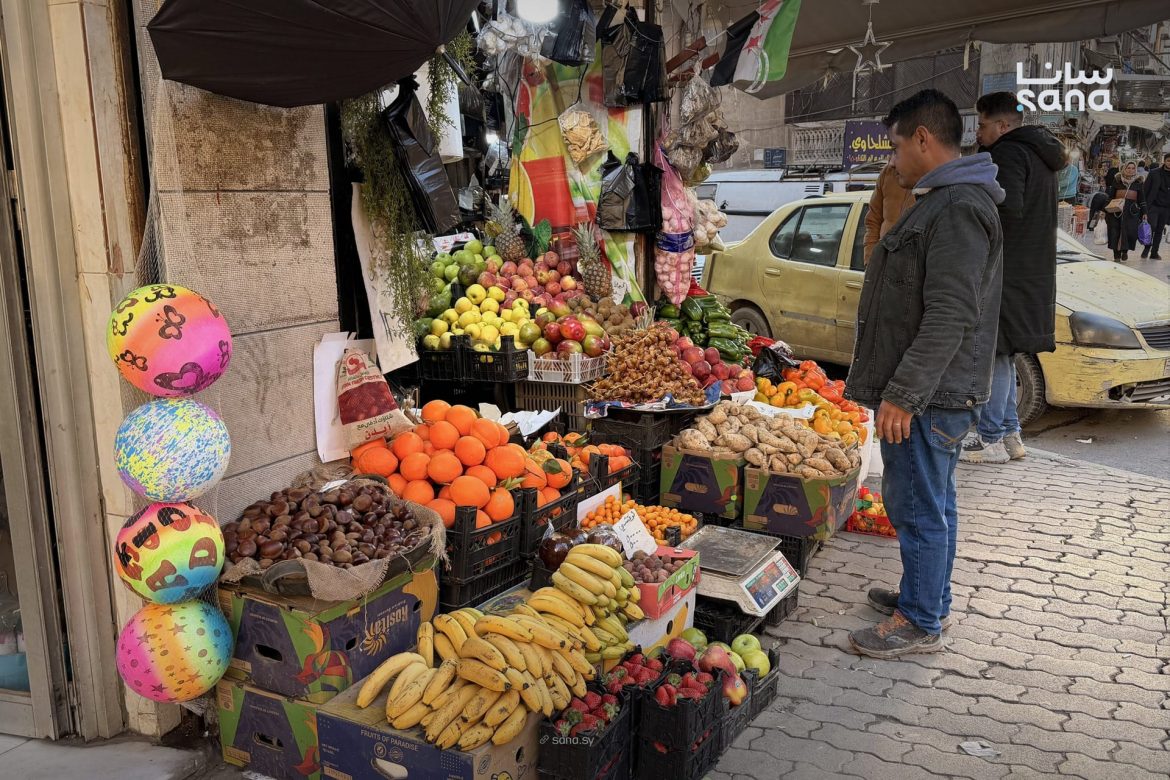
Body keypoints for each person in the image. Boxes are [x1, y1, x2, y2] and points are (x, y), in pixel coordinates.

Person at [845, 89, 1004, 658]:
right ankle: (925, 596)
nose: (892, 161)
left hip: (931, 395)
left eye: (893, 148)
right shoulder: (948, 198)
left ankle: (920, 621)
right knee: (930, 501)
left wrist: (905, 395)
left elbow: (951, 314)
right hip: (934, 390)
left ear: (922, 139)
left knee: (918, 505)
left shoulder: (958, 207)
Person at [961, 92, 1065, 465]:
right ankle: (1009, 435)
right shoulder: (1042, 155)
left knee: (993, 351)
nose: (980, 131)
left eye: (984, 124)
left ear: (1003, 125)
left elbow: (1006, 209)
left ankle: (989, 438)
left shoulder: (1007, 152)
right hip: (1031, 271)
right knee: (1003, 352)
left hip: (1007, 270)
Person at [863, 162, 916, 264]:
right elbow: (872, 221)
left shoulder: (937, 176)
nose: (891, 161)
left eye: (896, 150)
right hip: (883, 266)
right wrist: (870, 261)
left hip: (914, 270)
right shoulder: (888, 173)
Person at [1105, 161, 1147, 261]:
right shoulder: (1117, 181)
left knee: (1129, 233)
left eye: (1133, 168)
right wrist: (1104, 210)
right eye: (1128, 168)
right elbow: (1110, 196)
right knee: (1115, 232)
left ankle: (1125, 251)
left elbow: (1142, 199)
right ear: (1124, 168)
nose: (1130, 170)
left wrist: (1144, 212)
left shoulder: (1138, 182)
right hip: (1116, 212)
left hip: (1131, 213)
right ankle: (1116, 255)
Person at [1141, 153, 1170, 260]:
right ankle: (1147, 247)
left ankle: (1154, 252)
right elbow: (1145, 189)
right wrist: (1144, 206)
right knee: (1151, 227)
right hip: (1153, 205)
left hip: (1166, 207)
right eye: (1168, 161)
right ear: (1164, 161)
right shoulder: (1154, 173)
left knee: (1159, 230)